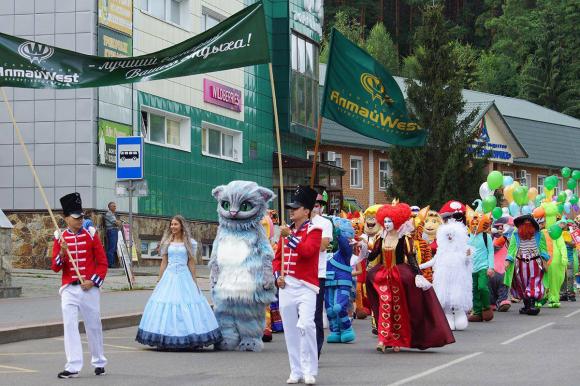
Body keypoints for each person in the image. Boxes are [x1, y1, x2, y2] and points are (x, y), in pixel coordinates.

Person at [366, 201, 455, 353]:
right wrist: (362, 248)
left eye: (390, 221)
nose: (387, 224)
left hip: (399, 277)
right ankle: (383, 339)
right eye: (385, 221)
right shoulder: (380, 238)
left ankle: (396, 340)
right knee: (384, 306)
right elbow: (373, 255)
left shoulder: (404, 239)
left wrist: (418, 275)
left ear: (397, 221)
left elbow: (411, 258)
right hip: (382, 276)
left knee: (398, 309)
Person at [136, 215, 222, 349]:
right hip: (169, 276)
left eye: (175, 224)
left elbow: (191, 263)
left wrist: (194, 281)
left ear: (181, 226)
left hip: (184, 276)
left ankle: (190, 337)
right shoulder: (166, 242)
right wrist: (159, 280)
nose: (173, 227)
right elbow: (163, 262)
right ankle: (164, 338)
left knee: (187, 304)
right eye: (171, 224)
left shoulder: (190, 243)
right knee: (165, 304)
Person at [51, 192, 108, 379]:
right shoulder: (60, 237)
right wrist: (63, 253)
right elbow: (55, 267)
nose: (80, 220)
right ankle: (73, 366)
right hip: (69, 288)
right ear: (66, 218)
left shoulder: (91, 234)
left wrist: (93, 281)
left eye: (81, 216)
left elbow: (102, 263)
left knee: (93, 325)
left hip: (89, 288)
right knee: (69, 325)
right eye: (76, 217)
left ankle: (99, 361)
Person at [273, 186, 322, 385]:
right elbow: (277, 260)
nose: (291, 210)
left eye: (296, 207)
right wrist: (278, 276)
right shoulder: (285, 232)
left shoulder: (315, 230)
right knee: (291, 330)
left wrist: (289, 237)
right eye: (291, 207)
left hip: (306, 286)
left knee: (306, 325)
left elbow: (308, 251)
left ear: (307, 211)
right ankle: (296, 370)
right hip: (287, 286)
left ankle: (310, 369)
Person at [504, 214, 550, 315]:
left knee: (534, 282)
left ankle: (532, 304)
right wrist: (508, 260)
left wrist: (545, 261)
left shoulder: (539, 234)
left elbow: (543, 248)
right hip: (520, 263)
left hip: (535, 262)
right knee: (522, 284)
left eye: (529, 223)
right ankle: (526, 305)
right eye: (525, 223)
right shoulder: (516, 233)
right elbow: (511, 248)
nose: (527, 225)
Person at [310, 193, 333, 357]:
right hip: (298, 275)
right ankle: (304, 348)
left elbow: (323, 246)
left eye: (318, 204)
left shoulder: (325, 223)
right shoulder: (296, 224)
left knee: (315, 314)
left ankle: (315, 350)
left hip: (317, 273)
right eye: (313, 204)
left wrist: (302, 242)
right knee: (301, 317)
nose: (315, 207)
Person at [467, 213, 495, 322]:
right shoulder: (467, 237)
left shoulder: (486, 236)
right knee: (474, 290)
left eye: (476, 224)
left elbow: (491, 252)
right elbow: (464, 252)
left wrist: (491, 267)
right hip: (471, 268)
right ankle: (477, 312)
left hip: (483, 266)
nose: (474, 226)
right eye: (472, 224)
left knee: (482, 287)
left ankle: (486, 307)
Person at [104, 202, 120, 268]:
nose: (115, 207)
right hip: (111, 231)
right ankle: (110, 263)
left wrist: (118, 222)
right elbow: (117, 223)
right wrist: (118, 222)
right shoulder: (109, 214)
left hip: (114, 230)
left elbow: (118, 223)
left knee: (113, 247)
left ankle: (112, 263)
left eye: (115, 206)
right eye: (113, 206)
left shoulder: (113, 214)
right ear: (109, 207)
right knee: (111, 247)